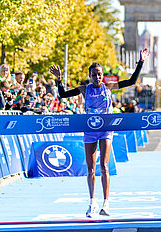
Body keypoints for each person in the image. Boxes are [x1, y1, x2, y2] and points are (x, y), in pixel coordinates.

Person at [50, 48, 149, 218]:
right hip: (90, 130)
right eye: (95, 75)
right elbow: (63, 94)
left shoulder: (109, 86)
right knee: (90, 168)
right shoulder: (84, 89)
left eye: (100, 74)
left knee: (103, 166)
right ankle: (91, 203)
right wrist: (59, 79)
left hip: (105, 130)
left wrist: (140, 62)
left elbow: (132, 81)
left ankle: (106, 203)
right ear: (90, 76)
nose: (98, 77)